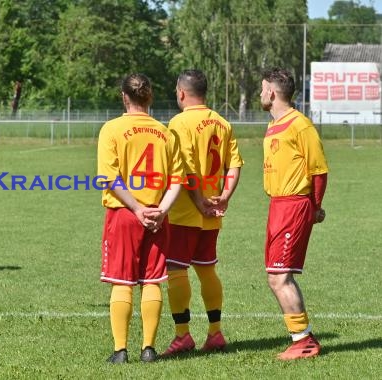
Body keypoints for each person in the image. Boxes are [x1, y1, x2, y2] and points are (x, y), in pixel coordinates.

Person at [97, 73, 185, 364]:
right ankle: (148, 348)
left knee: (122, 282)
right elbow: (177, 181)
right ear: (149, 97)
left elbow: (109, 177)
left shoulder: (111, 129)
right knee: (152, 281)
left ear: (124, 96)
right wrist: (161, 210)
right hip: (158, 216)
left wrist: (136, 208)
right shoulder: (166, 132)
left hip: (125, 214)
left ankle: (120, 350)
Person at [162, 69, 243, 356]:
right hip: (213, 210)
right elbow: (234, 165)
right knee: (207, 269)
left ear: (182, 93)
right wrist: (225, 198)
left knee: (176, 269)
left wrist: (197, 200)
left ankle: (182, 336)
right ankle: (215, 333)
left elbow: (186, 168)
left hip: (186, 210)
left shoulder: (179, 122)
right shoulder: (222, 122)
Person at [259, 67, 328, 360]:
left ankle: (304, 341)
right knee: (276, 275)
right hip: (277, 205)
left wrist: (314, 206)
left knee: (279, 276)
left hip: (294, 205)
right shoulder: (275, 124)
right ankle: (300, 338)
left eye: (262, 89)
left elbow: (319, 170)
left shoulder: (300, 125)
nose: (260, 94)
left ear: (272, 92)